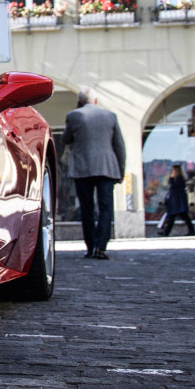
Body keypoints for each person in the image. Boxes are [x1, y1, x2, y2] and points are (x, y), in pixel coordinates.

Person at [64, 86, 126, 260]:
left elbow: (66, 139)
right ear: (96, 100)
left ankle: (90, 246)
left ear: (80, 101)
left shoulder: (74, 116)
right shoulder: (110, 116)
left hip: (83, 168)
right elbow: (119, 146)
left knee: (87, 209)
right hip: (107, 168)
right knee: (106, 208)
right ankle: (101, 246)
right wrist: (121, 170)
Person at [157, 164, 195, 236]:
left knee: (181, 217)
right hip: (176, 202)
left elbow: (174, 187)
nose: (171, 172)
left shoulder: (179, 179)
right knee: (173, 218)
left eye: (173, 170)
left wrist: (171, 179)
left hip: (178, 202)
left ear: (176, 171)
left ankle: (191, 231)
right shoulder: (177, 179)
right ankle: (166, 232)